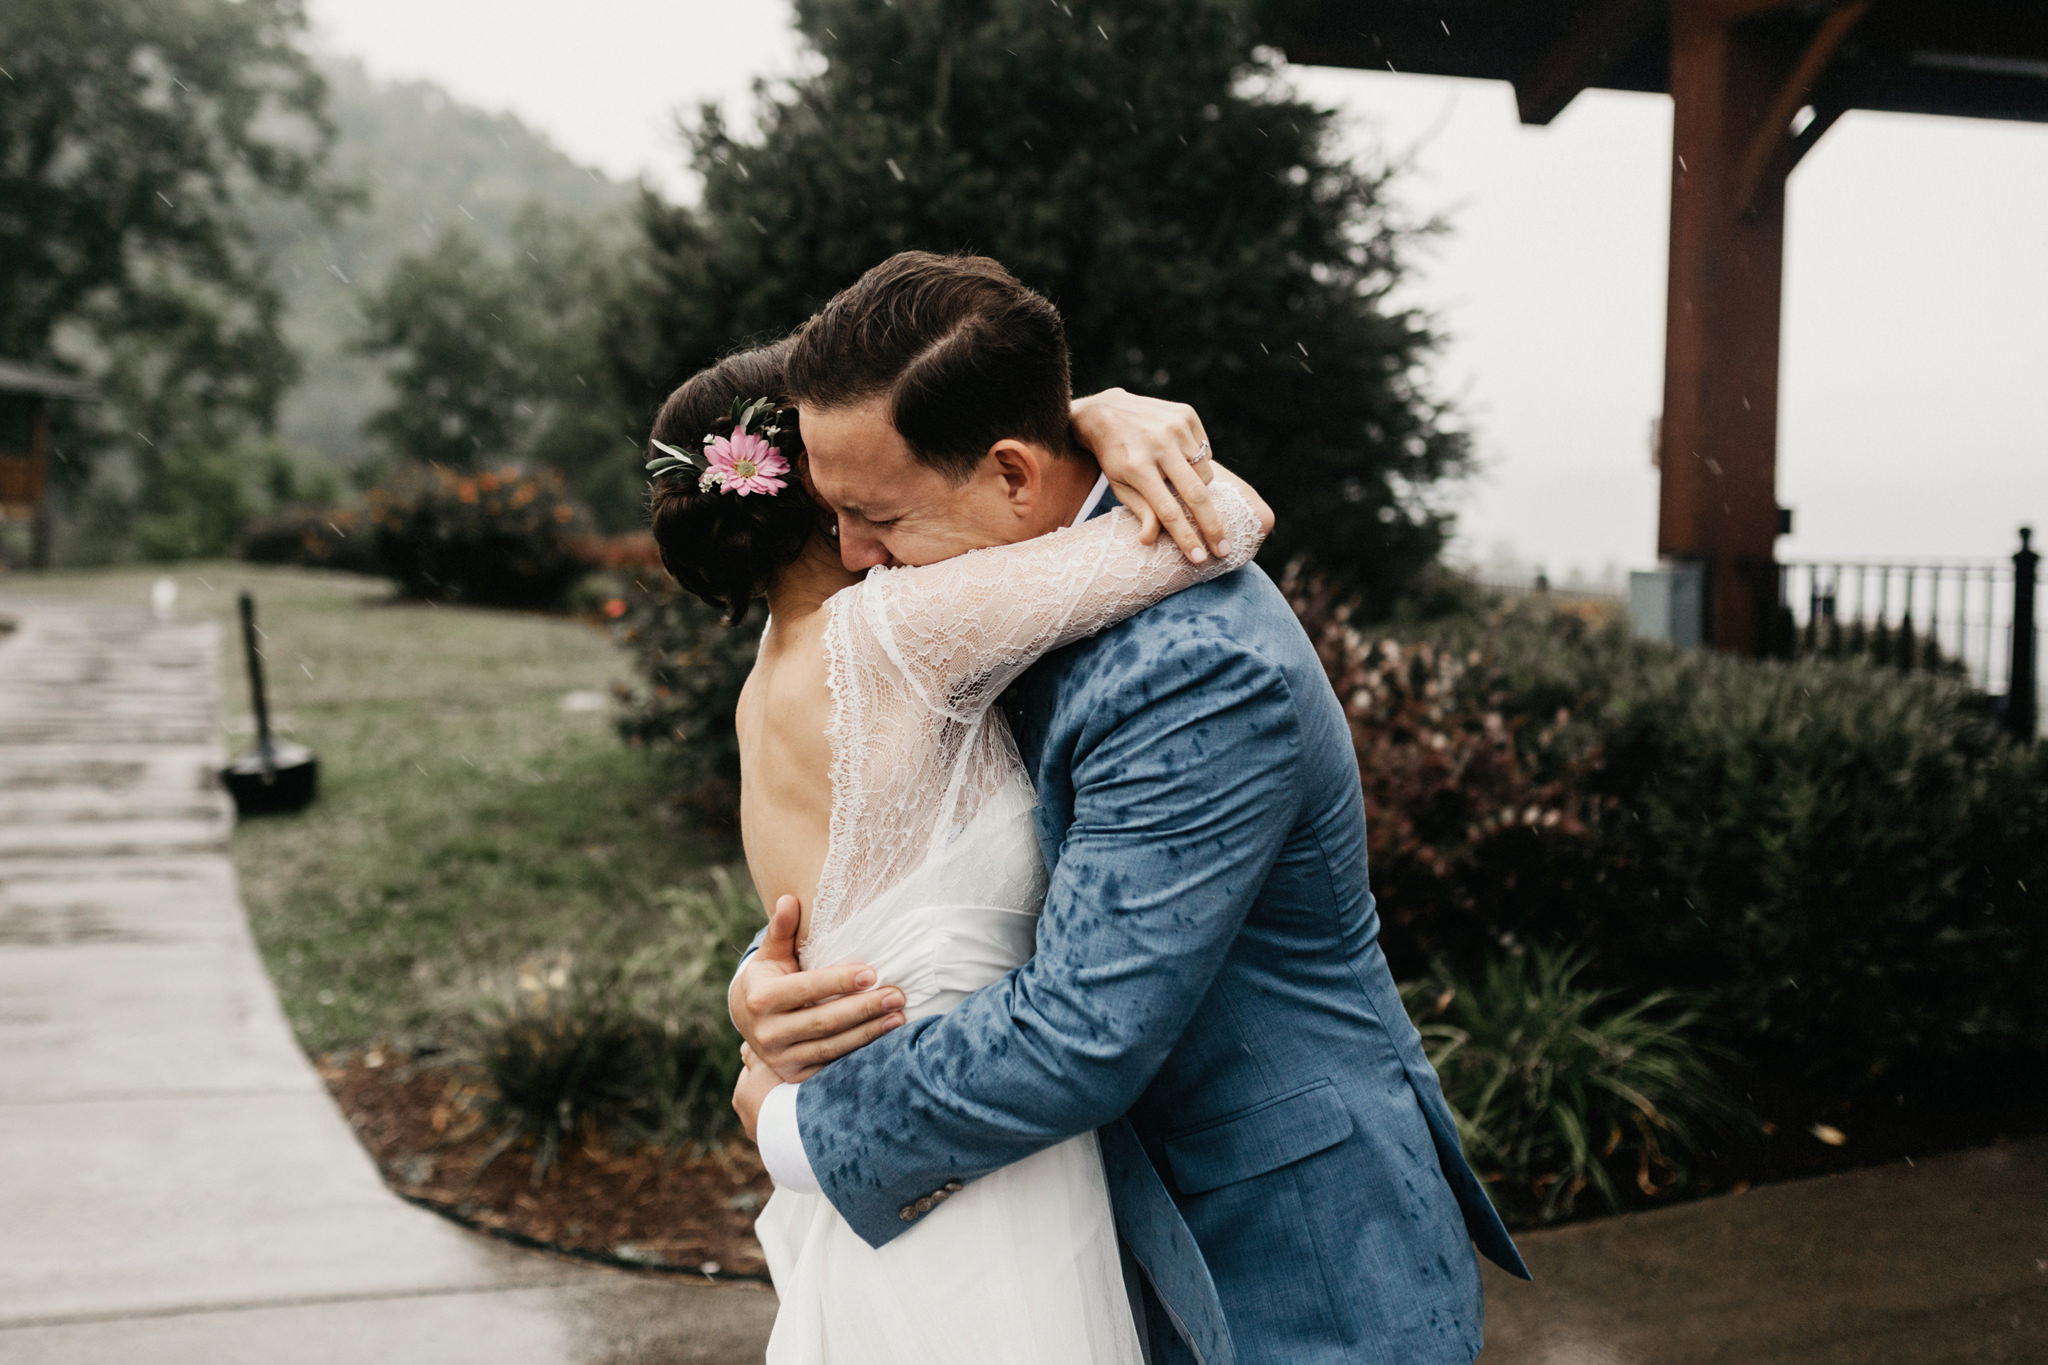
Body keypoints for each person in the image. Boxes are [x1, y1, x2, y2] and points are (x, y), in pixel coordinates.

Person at [725, 252, 1528, 1365]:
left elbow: (1079, 1030)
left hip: (1287, 1253)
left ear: (1012, 474)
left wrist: (794, 1124)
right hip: (1108, 1239)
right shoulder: (1007, 584)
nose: (853, 560)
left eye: (875, 517)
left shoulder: (1193, 665)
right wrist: (773, 984)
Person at [646, 329, 1272, 1364]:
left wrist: (748, 1006)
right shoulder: (897, 629)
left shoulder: (771, 670)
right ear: (820, 480)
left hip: (886, 1169)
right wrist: (1094, 417)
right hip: (985, 1173)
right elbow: (1226, 518)